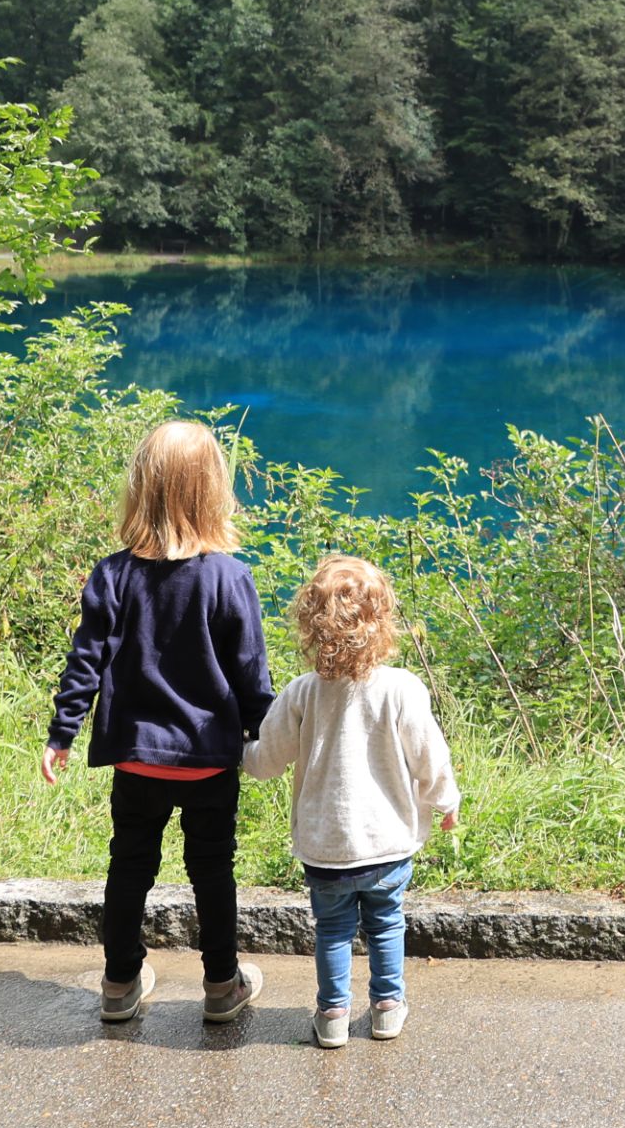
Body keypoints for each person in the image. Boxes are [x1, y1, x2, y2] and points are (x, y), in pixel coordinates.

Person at [41, 419, 275, 1024]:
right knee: (212, 870)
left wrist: (62, 732)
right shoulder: (230, 577)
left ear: (142, 488)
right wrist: (269, 737)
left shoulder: (113, 575)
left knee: (130, 864)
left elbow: (84, 662)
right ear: (212, 490)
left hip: (137, 756)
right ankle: (222, 985)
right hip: (207, 760)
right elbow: (251, 676)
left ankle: (119, 983)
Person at [243, 555, 460, 1048]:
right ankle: (386, 1007)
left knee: (333, 930)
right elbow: (429, 756)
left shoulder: (302, 693)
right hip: (387, 845)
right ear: (382, 622)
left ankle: (333, 1015)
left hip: (325, 847)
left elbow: (268, 759)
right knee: (386, 924)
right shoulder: (402, 689)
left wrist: (241, 753)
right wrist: (446, 801)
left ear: (311, 626)